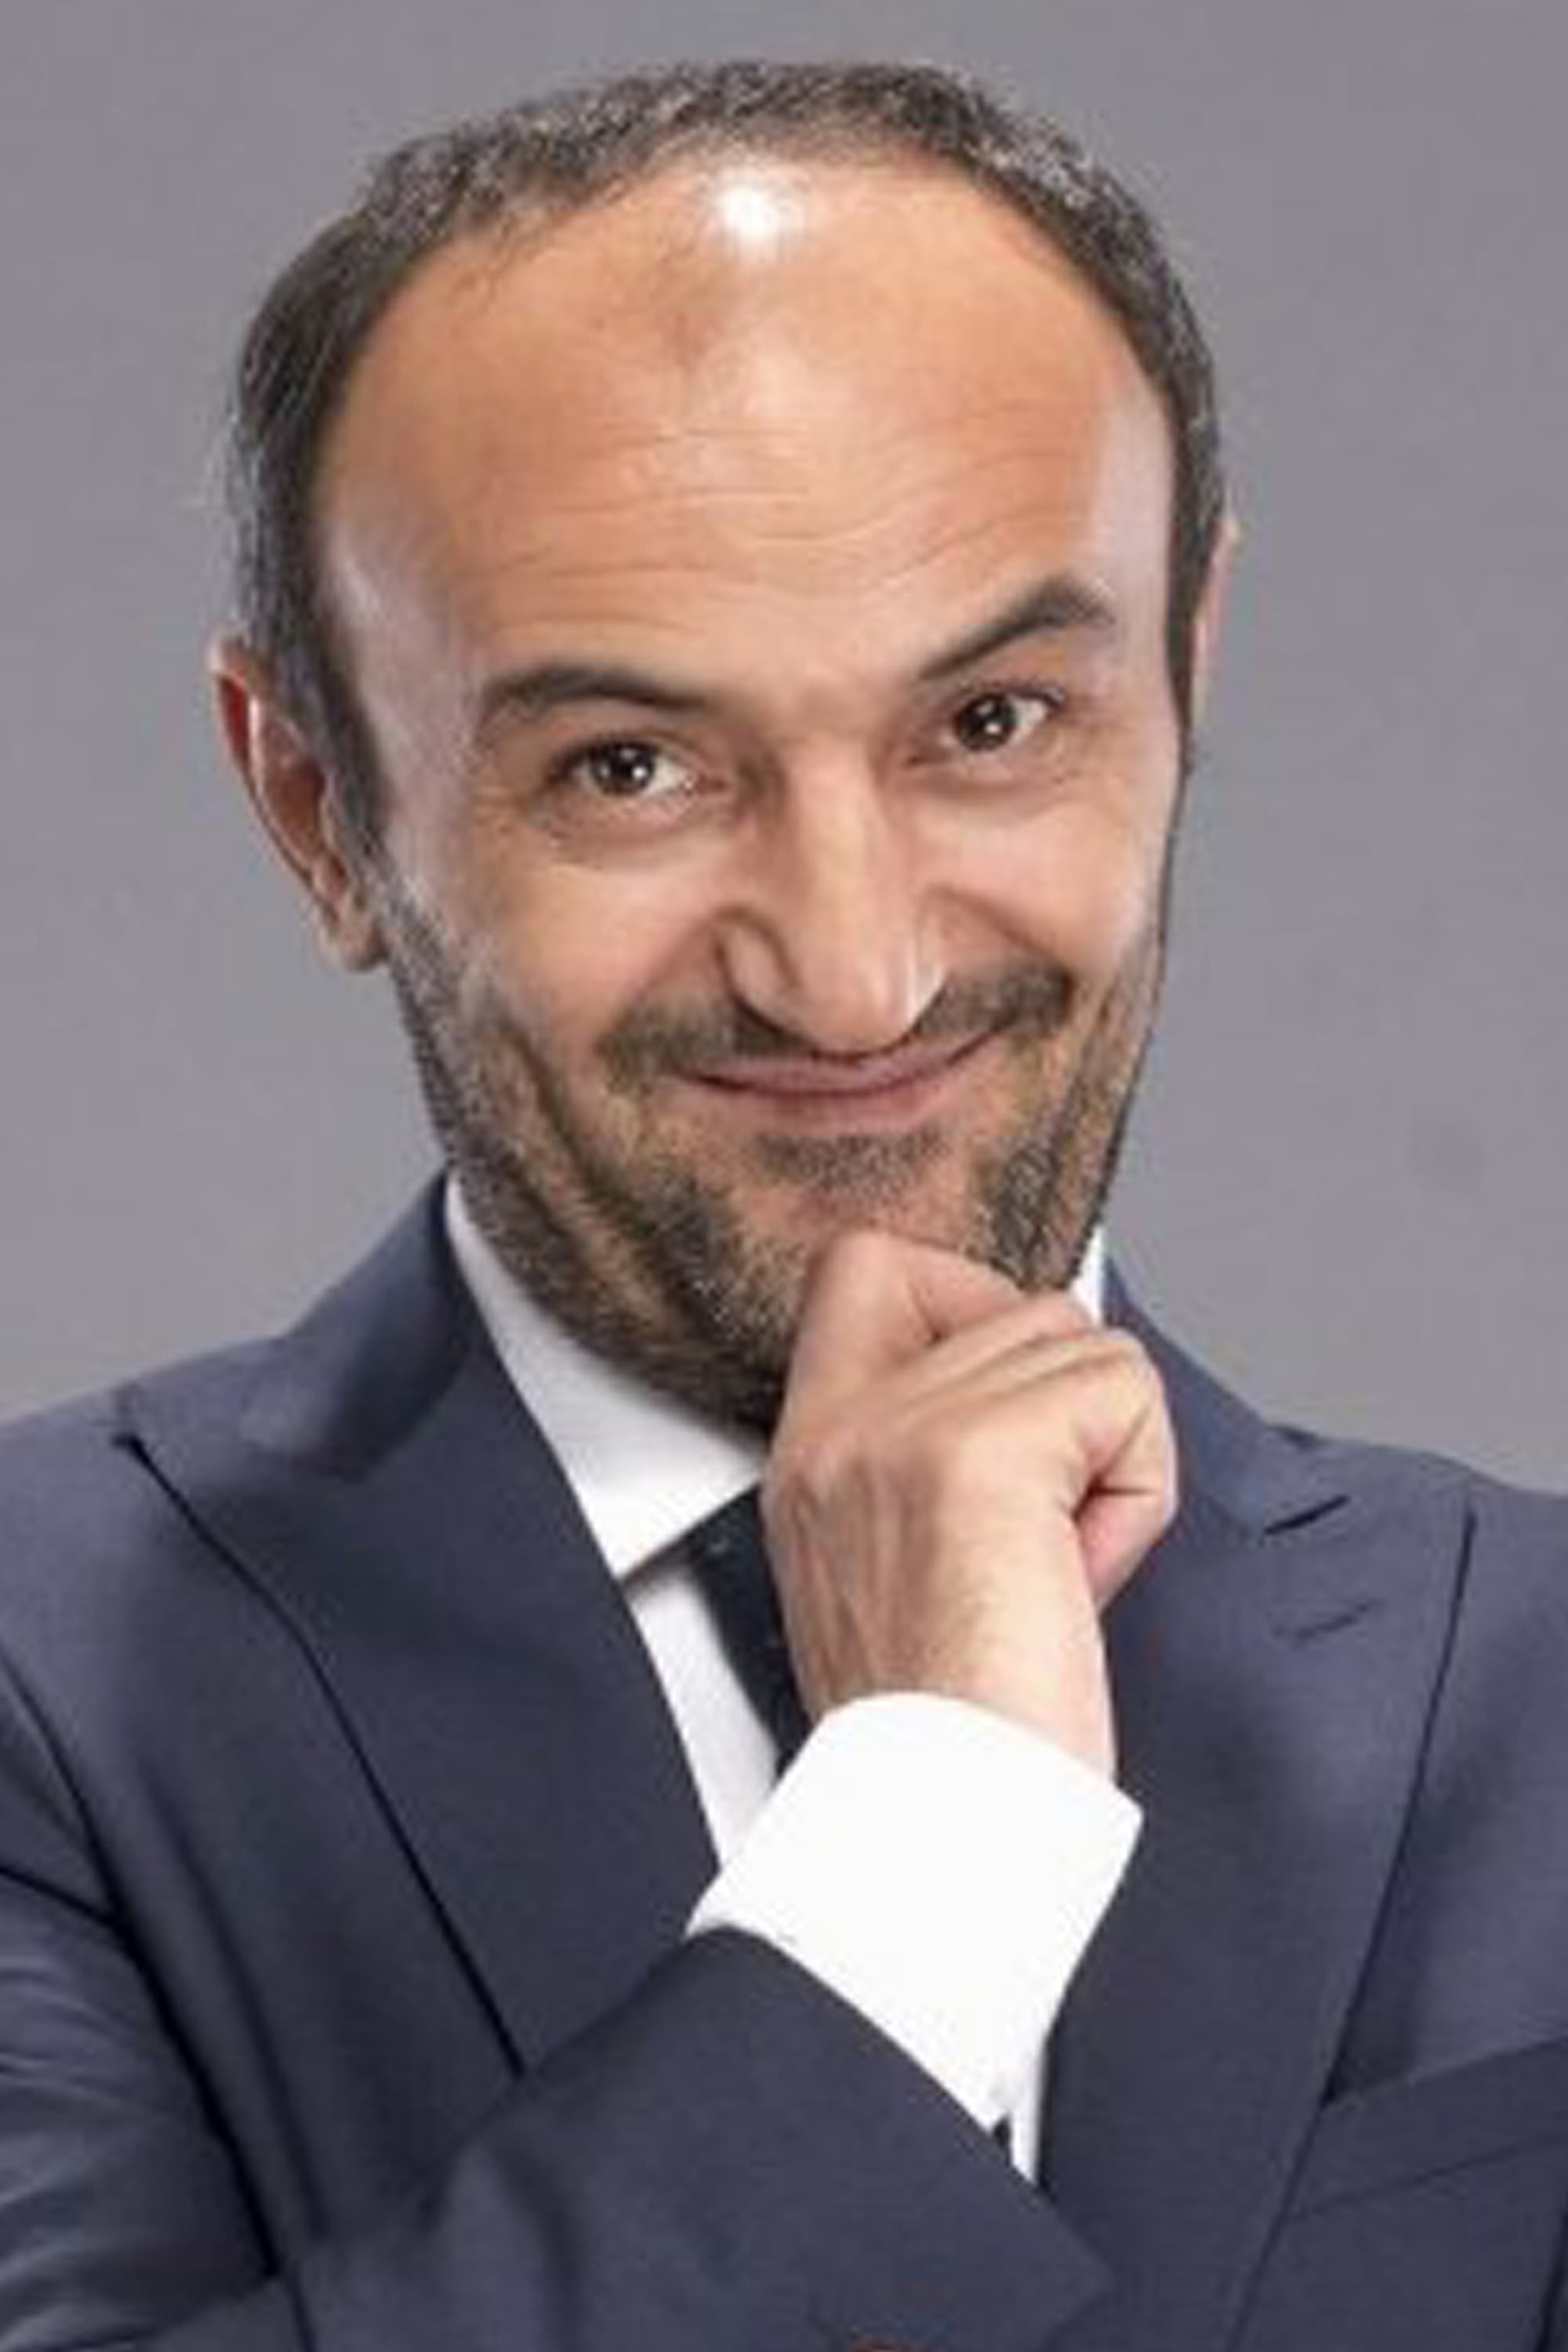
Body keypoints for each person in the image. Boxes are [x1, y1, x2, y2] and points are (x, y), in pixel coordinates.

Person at [1, 56, 1565, 2352]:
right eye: (630, 767)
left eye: (996, 723)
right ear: (319, 809)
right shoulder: (41, 1683)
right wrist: (928, 1851)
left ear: (1187, 673)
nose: (858, 976)